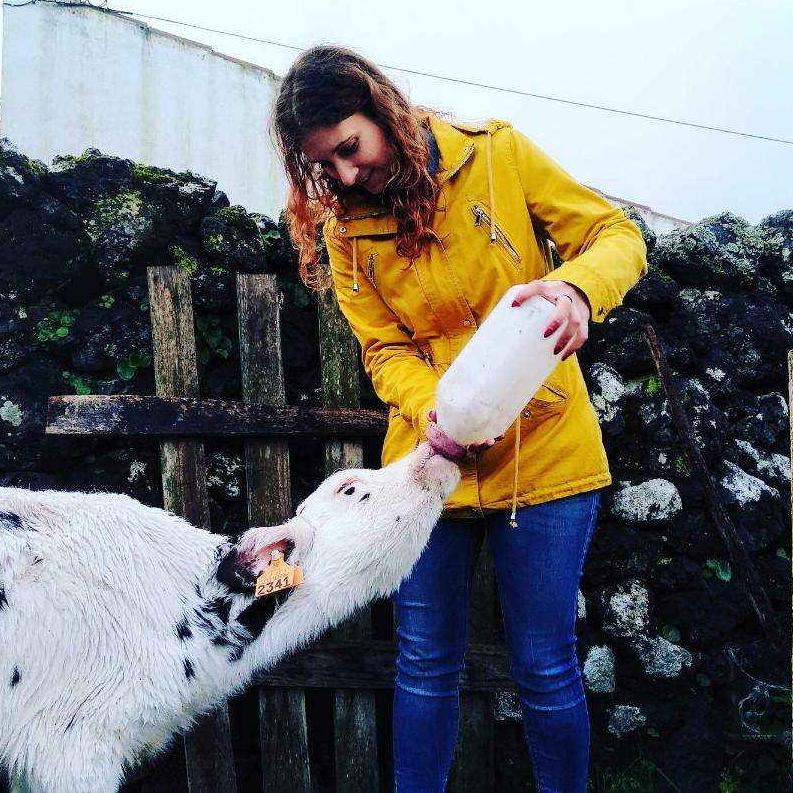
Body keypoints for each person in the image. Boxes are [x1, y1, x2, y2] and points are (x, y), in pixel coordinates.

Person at [273, 45, 647, 793]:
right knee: (424, 662)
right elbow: (382, 350)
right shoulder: (343, 228)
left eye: (350, 148)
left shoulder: (496, 154)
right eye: (326, 165)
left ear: (381, 109)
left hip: (546, 452)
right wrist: (436, 412)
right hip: (427, 467)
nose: (345, 176)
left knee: (544, 664)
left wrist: (576, 290)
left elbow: (616, 236)